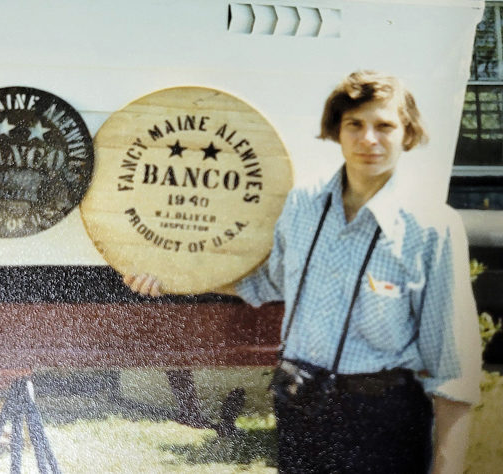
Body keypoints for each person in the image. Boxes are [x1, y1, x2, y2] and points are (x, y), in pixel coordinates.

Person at [126, 70, 482, 473]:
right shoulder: (303, 204)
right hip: (301, 409)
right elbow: (265, 282)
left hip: (383, 423)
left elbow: (455, 375)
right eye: (355, 125)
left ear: (408, 134)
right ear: (337, 130)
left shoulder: (432, 228)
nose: (369, 139)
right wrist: (169, 277)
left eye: (385, 126)